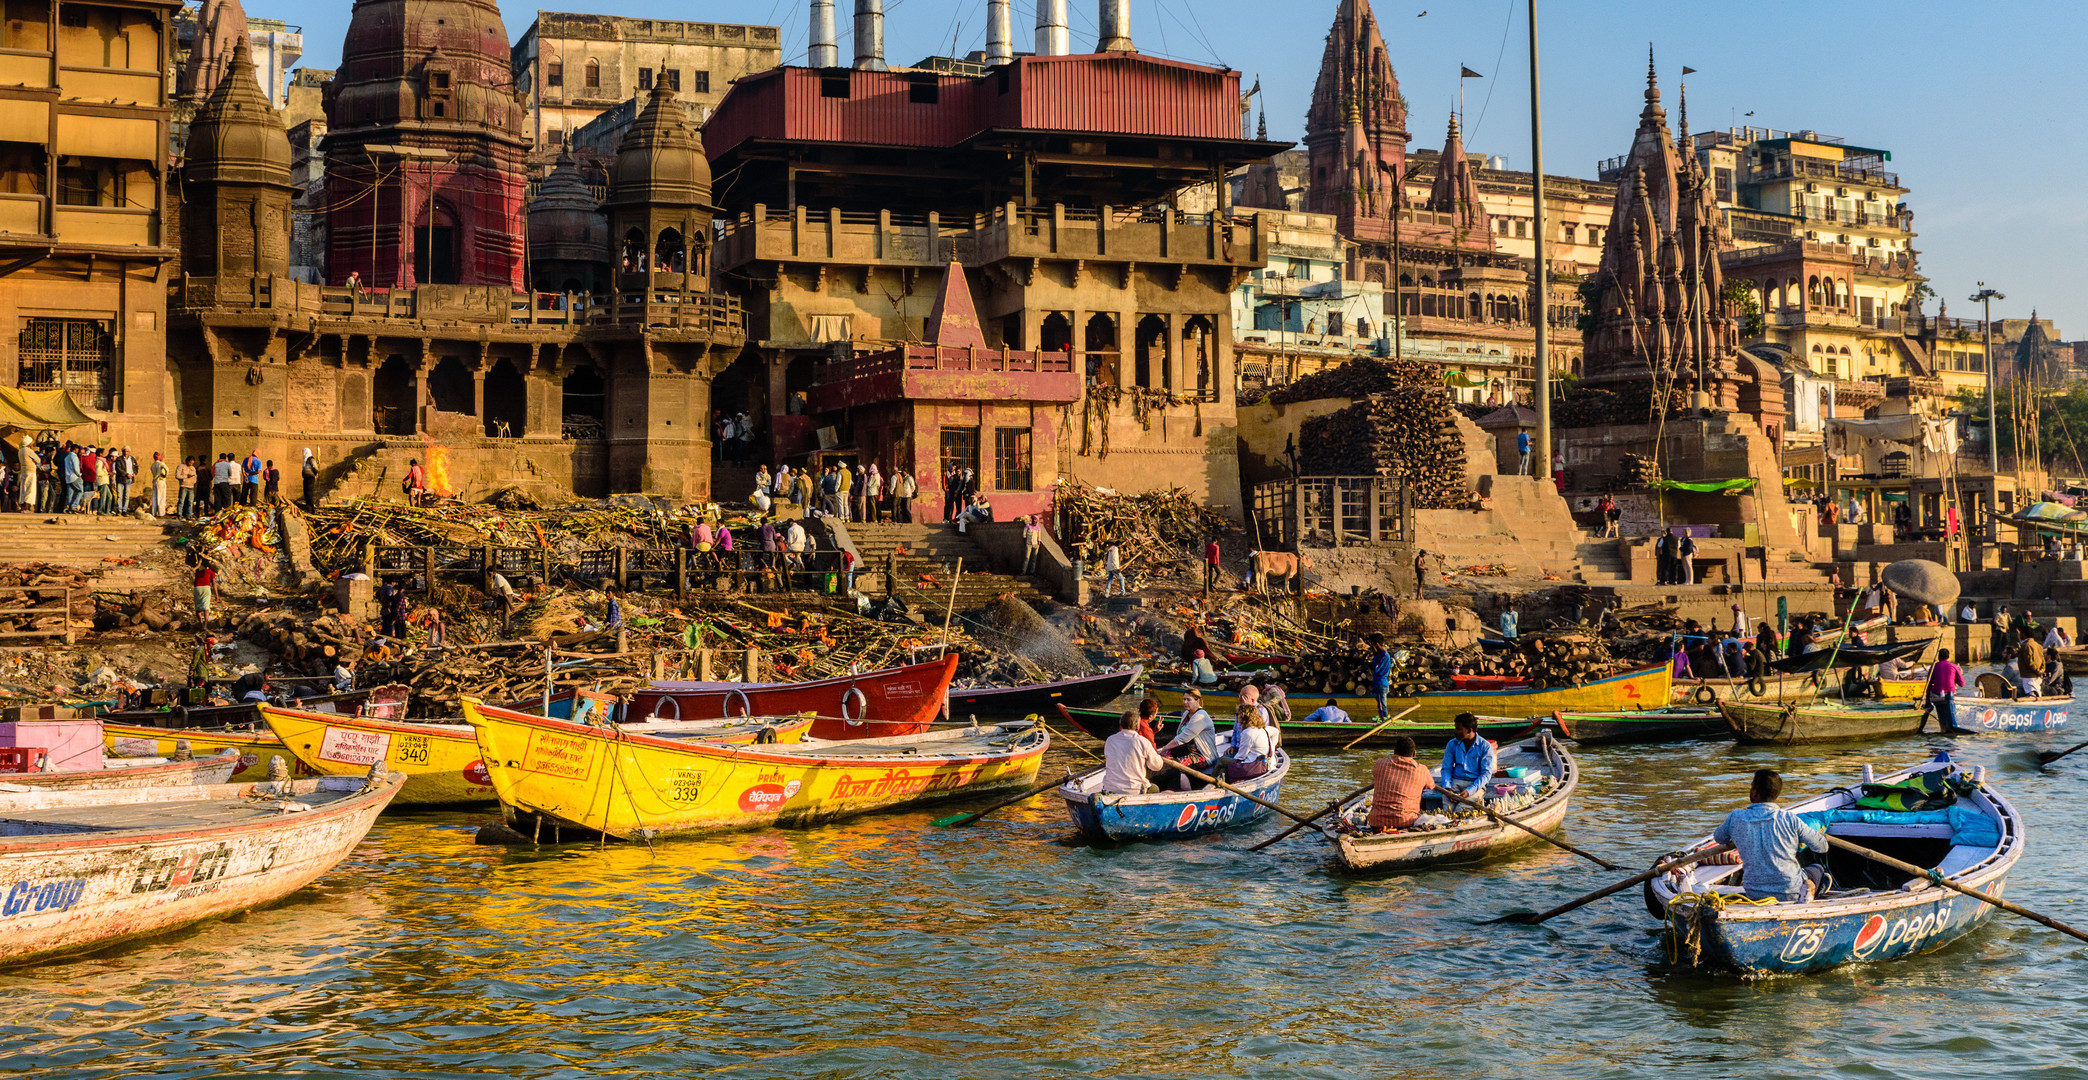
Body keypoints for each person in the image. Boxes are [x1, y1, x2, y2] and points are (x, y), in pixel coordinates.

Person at [1711, 768, 1830, 902]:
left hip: (1754, 894)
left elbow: (1719, 838)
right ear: (1776, 795)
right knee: (1818, 869)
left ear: (1755, 792)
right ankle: (1812, 894)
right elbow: (1822, 847)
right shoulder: (1790, 819)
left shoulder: (1736, 818)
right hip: (1791, 892)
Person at [1364, 736, 1434, 831]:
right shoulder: (1422, 770)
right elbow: (1430, 786)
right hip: (1405, 823)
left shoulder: (1379, 764)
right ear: (1414, 754)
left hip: (1376, 822)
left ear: (1394, 751)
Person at [1156, 689, 1217, 791]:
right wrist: (1164, 752)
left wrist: (1164, 748)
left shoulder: (1200, 716)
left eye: (1188, 700)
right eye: (1184, 699)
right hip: (1186, 749)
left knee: (1175, 766)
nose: (1185, 702)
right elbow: (1178, 735)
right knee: (1161, 759)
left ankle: (1186, 791)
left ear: (1197, 701)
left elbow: (1182, 739)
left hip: (1203, 755)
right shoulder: (1186, 714)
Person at [1101, 710, 1165, 795]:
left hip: (1110, 788)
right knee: (1155, 788)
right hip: (1135, 790)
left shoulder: (1110, 740)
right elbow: (1157, 766)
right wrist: (1158, 758)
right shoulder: (1142, 742)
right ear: (1137, 726)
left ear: (1121, 725)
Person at [1438, 713, 1497, 802]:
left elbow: (1486, 774)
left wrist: (1469, 791)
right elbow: (1446, 768)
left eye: (1458, 729)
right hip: (1455, 782)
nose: (1455, 731)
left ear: (1469, 730)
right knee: (1448, 808)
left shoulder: (1485, 746)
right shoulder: (1452, 744)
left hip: (1475, 784)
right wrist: (1447, 788)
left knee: (1462, 809)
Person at [1368, 633, 1393, 720]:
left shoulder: (1384, 655)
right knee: (1380, 704)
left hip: (1381, 683)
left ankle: (1384, 719)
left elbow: (1376, 668)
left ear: (1376, 644)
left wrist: (1375, 656)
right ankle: (1383, 717)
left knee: (1382, 705)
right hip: (1378, 683)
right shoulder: (1378, 656)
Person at [192, 560, 217, 627]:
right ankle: (205, 624)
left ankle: (200, 622)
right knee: (206, 607)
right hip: (206, 588)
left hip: (197, 588)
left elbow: (187, 562)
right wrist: (217, 595)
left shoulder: (198, 567)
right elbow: (214, 583)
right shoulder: (212, 570)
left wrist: (188, 553)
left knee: (198, 607)